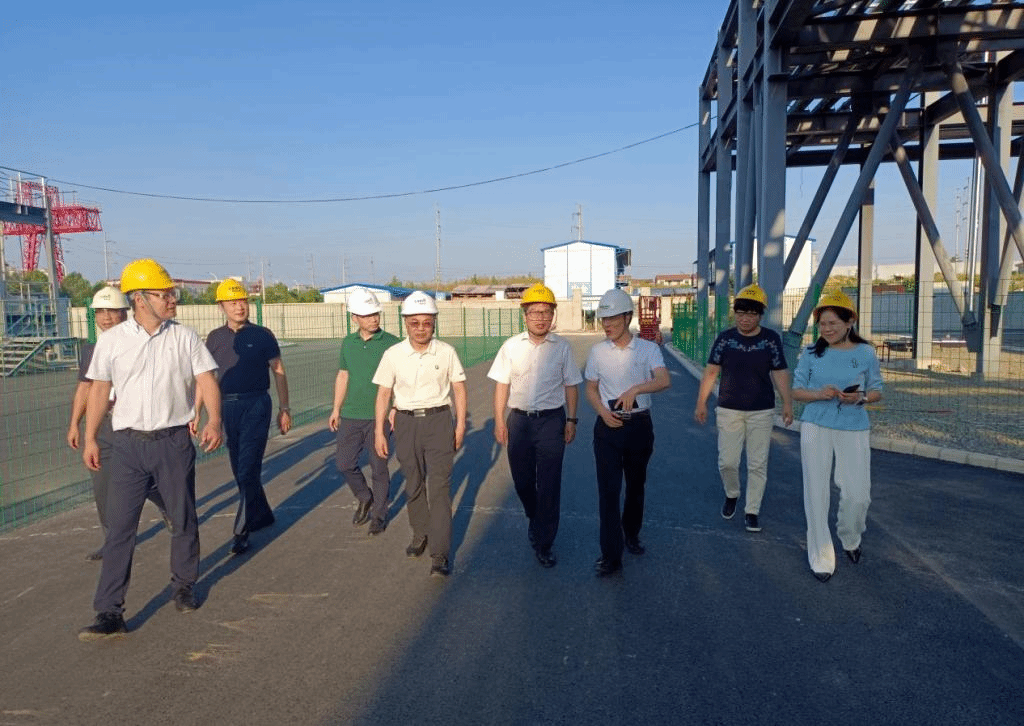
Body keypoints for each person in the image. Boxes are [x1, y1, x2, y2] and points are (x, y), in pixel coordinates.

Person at [78, 259, 223, 641]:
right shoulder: (112, 342)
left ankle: (184, 586)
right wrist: (90, 437)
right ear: (140, 299)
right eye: (165, 295)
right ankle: (109, 611)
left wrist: (214, 420)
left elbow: (207, 380)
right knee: (120, 529)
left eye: (172, 294)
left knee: (182, 517)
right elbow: (98, 390)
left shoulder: (184, 337)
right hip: (127, 446)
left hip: (172, 443)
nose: (173, 300)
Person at [67, 286, 168, 560]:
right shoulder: (91, 350)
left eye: (112, 311)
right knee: (103, 486)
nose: (106, 317)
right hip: (104, 426)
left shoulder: (142, 343)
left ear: (126, 312)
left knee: (146, 480)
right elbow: (85, 388)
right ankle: (113, 541)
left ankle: (168, 505)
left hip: (134, 425)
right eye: (100, 312)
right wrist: (75, 423)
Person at [373, 291, 467, 577]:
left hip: (439, 421)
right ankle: (420, 533)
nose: (421, 328)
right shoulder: (393, 355)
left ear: (434, 322)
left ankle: (440, 553)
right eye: (414, 323)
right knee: (413, 483)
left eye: (427, 322)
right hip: (405, 423)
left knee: (439, 489)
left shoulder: (446, 352)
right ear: (405, 323)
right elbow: (384, 393)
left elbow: (459, 388)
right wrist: (379, 431)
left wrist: (460, 425)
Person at [488, 283, 582, 568]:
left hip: (552, 422)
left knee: (550, 484)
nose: (540, 317)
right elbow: (502, 384)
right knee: (523, 481)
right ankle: (535, 515)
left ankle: (544, 542)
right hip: (519, 422)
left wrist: (571, 419)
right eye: (534, 312)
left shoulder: (562, 348)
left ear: (553, 315)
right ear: (525, 315)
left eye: (546, 312)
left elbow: (571, 385)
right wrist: (499, 420)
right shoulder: (511, 347)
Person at [791, 290, 883, 583]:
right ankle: (821, 555)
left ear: (849, 322)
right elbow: (796, 391)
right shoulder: (810, 353)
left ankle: (850, 537)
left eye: (833, 323)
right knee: (816, 491)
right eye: (822, 324)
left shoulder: (866, 353)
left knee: (858, 495)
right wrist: (819, 394)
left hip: (854, 426)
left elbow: (877, 390)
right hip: (815, 425)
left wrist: (860, 397)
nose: (827, 329)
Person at [201, 278, 291, 556]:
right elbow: (206, 377)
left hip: (256, 405)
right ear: (221, 307)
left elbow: (278, 370)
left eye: (242, 301)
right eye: (232, 302)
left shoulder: (263, 335)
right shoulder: (214, 338)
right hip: (227, 408)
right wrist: (197, 413)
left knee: (247, 468)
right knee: (239, 467)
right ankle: (261, 514)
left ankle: (241, 531)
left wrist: (284, 408)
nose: (239, 307)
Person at [584, 288, 670, 577]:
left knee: (635, 486)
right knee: (608, 492)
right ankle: (611, 555)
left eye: (612, 319)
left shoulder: (648, 349)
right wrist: (602, 412)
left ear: (628, 317)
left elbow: (663, 380)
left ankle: (631, 533)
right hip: (607, 428)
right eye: (603, 319)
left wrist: (635, 389)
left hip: (639, 427)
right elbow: (591, 388)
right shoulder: (597, 352)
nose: (607, 324)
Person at [694, 284, 793, 533]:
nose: (745, 318)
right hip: (729, 409)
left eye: (751, 313)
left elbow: (779, 371)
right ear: (735, 313)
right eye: (740, 313)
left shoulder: (770, 340)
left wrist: (787, 402)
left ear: (760, 315)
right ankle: (732, 493)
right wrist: (701, 402)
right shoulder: (725, 339)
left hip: (761, 410)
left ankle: (752, 510)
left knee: (757, 464)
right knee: (727, 461)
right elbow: (712, 370)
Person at [328, 288, 400, 535]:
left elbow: (401, 379)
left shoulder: (392, 343)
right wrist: (336, 408)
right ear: (354, 318)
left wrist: (395, 407)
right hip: (351, 414)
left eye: (376, 313)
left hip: (380, 416)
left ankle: (379, 515)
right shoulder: (348, 343)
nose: (374, 318)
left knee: (379, 467)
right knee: (344, 463)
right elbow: (343, 375)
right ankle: (364, 497)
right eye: (367, 315)